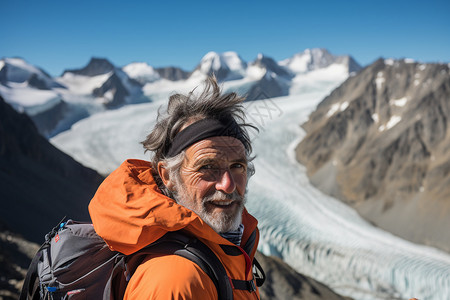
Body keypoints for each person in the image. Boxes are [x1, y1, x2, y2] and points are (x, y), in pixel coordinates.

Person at [88, 76, 261, 299]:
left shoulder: (228, 249)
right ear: (167, 175)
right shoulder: (177, 281)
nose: (227, 185)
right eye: (207, 166)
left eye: (237, 165)